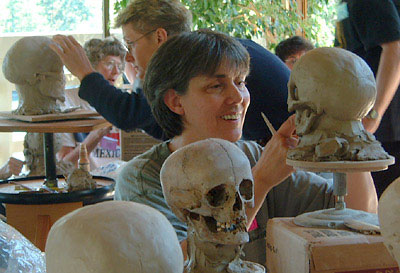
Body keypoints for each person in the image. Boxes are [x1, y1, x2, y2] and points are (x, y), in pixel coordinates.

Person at [111, 30, 377, 266]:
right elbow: (172, 264)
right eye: (216, 86)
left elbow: (357, 217)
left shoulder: (252, 155)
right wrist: (259, 181)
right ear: (175, 102)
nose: (238, 97)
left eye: (240, 82)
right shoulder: (143, 178)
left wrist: (347, 125)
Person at [50, 0, 290, 145]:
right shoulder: (201, 56)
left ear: (159, 37)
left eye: (131, 44)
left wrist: (85, 73)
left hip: (293, 156)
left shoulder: (203, 59)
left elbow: (129, 114)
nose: (129, 57)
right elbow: (169, 127)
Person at [335, 0, 400, 198]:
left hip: (387, 127)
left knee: (386, 211)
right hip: (376, 124)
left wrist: (373, 115)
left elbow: (395, 50)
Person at [57, 37, 126, 170]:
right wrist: (96, 135)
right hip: (86, 181)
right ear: (90, 64)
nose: (116, 72)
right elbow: (64, 165)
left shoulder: (121, 101)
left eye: (119, 66)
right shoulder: (67, 101)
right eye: (110, 64)